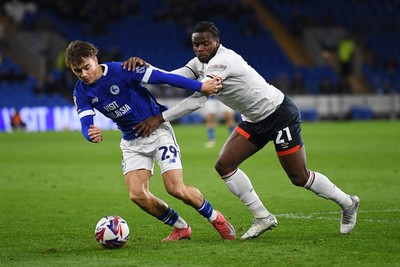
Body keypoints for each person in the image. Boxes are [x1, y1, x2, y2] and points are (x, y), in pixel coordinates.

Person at [123, 21, 360, 239]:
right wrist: (143, 72)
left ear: (217, 41)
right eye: (196, 44)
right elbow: (172, 77)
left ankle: (348, 203)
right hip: (254, 120)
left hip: (279, 114)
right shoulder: (199, 63)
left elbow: (199, 99)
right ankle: (262, 217)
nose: (200, 48)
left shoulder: (224, 61)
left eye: (205, 43)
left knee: (299, 177)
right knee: (224, 165)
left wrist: (159, 118)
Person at [65, 40, 236, 241]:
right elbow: (86, 122)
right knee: (137, 195)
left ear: (95, 59)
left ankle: (216, 218)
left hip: (158, 132)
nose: (84, 74)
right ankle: (181, 227)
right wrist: (89, 133)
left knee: (175, 189)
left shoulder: (122, 70)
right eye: (78, 71)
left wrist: (200, 86)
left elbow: (163, 77)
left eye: (87, 67)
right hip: (131, 140)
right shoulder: (81, 91)